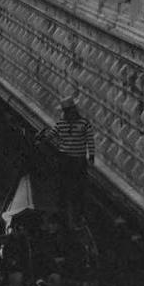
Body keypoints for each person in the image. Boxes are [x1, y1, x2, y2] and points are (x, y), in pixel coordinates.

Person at [46, 93, 95, 221]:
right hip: (76, 159)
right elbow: (90, 140)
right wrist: (91, 156)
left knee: (65, 185)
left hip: (66, 158)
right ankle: (77, 213)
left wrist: (57, 142)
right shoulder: (84, 123)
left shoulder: (63, 123)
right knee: (77, 186)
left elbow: (50, 136)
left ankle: (65, 211)